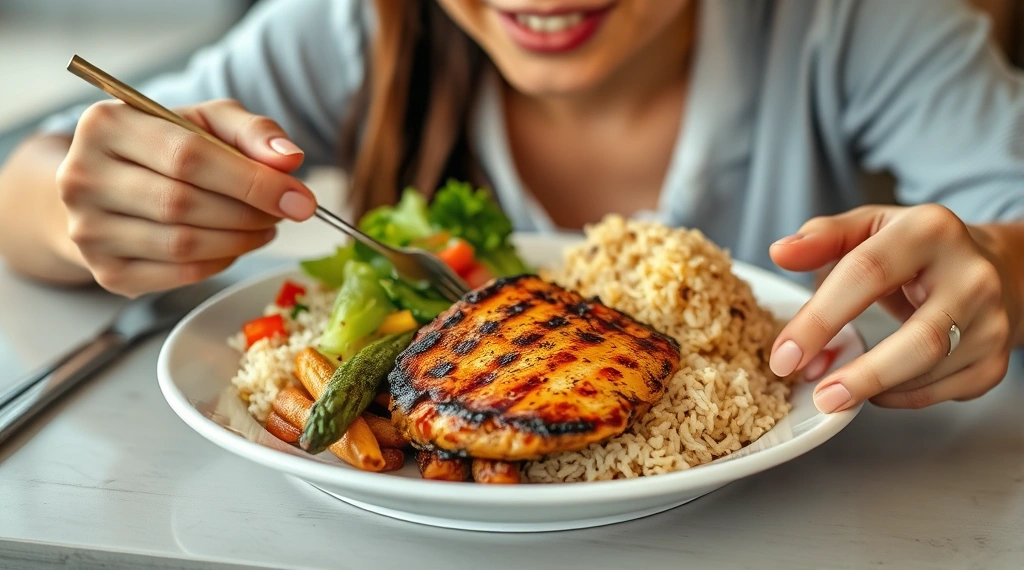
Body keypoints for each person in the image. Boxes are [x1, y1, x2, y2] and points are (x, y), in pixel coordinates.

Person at [0, 0, 1021, 414]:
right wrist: (74, 202)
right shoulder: (358, 25)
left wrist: (998, 267)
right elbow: (28, 185)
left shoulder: (856, 23)